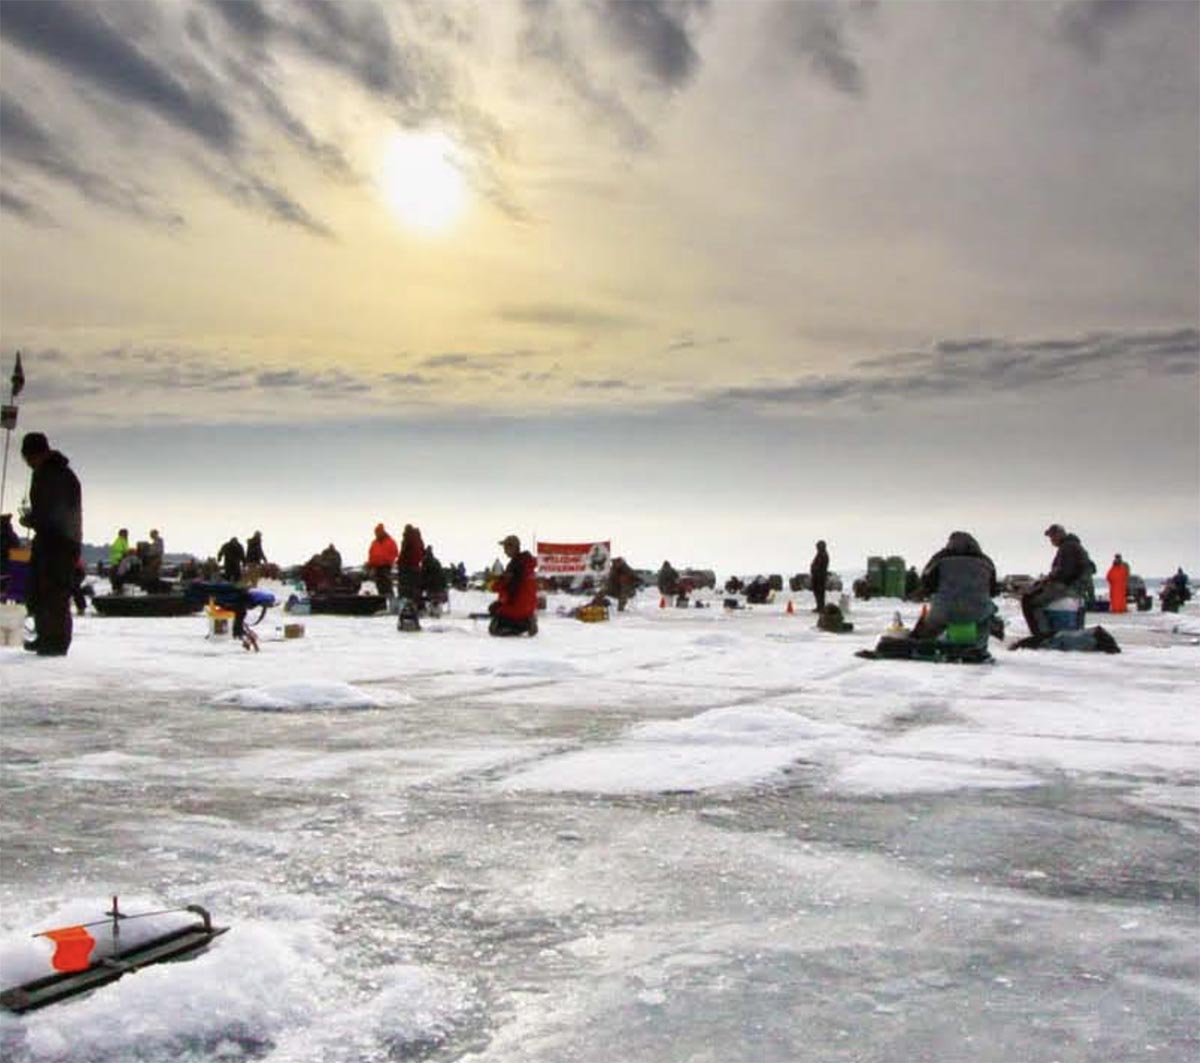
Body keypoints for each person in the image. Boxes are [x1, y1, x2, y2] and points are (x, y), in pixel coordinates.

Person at [18, 432, 82, 656]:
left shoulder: (49, 475)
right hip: (57, 540)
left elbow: (52, 513)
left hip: (57, 543)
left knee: (53, 593)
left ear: (34, 454)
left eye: (27, 458)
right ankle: (47, 637)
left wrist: (30, 519)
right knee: (41, 591)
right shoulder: (60, 473)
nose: (27, 463)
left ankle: (54, 642)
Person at [911, 531, 999, 639]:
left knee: (931, 625)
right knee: (989, 614)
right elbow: (993, 590)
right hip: (978, 611)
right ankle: (981, 642)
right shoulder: (986, 561)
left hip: (944, 611)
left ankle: (924, 643)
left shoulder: (939, 558)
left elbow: (927, 584)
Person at [1020, 523, 1094, 642]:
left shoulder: (1068, 547)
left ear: (1059, 534)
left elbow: (1064, 573)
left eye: (1052, 537)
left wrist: (1046, 580)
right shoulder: (1074, 546)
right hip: (1077, 589)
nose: (1051, 540)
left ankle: (1042, 636)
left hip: (1069, 587)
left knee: (1029, 601)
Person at [489, 533, 538, 636]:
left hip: (518, 607)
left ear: (513, 548)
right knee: (499, 607)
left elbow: (503, 586)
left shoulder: (515, 565)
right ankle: (527, 620)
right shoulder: (528, 564)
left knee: (494, 626)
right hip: (530, 607)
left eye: (506, 547)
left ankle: (524, 624)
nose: (504, 550)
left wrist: (495, 585)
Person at [366, 523, 398, 599]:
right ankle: (383, 599)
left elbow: (395, 552)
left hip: (385, 566)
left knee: (386, 584)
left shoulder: (390, 541)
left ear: (382, 532)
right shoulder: (374, 543)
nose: (376, 534)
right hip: (376, 567)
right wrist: (370, 564)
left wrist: (389, 560)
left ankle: (390, 600)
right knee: (379, 585)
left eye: (377, 532)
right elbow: (371, 554)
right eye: (375, 533)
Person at [397, 524, 425, 606]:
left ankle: (405, 605)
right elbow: (423, 551)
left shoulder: (407, 538)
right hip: (416, 566)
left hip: (407, 566)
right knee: (415, 586)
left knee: (405, 586)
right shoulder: (419, 539)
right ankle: (418, 605)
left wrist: (399, 561)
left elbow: (404, 552)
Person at [109, 527, 139, 594]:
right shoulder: (120, 541)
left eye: (127, 534)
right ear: (122, 534)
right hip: (118, 561)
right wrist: (130, 553)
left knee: (120, 577)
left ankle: (119, 590)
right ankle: (118, 590)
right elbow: (123, 552)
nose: (127, 535)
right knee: (120, 576)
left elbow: (126, 551)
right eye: (126, 533)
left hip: (120, 561)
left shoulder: (124, 541)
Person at [421, 543, 449, 613]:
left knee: (423, 591)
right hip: (441, 588)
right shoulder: (436, 561)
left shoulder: (425, 562)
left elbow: (424, 576)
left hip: (431, 588)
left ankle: (430, 608)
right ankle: (436, 607)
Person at [810, 540, 830, 613]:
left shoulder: (823, 555)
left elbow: (821, 566)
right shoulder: (820, 554)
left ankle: (821, 606)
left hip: (820, 576)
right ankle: (819, 606)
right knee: (817, 592)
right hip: (817, 576)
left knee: (820, 592)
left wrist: (815, 569)